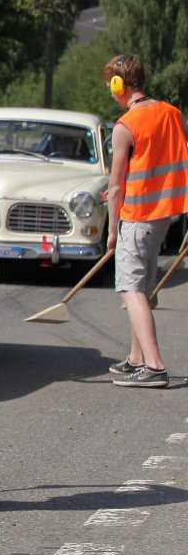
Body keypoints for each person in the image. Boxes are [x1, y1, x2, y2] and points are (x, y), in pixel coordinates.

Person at [103, 54, 188, 387]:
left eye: (110, 85)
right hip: (164, 215)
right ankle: (136, 358)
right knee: (141, 286)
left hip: (137, 216)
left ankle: (154, 366)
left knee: (130, 289)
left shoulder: (125, 127)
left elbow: (115, 187)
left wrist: (112, 232)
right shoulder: (173, 113)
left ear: (119, 85)